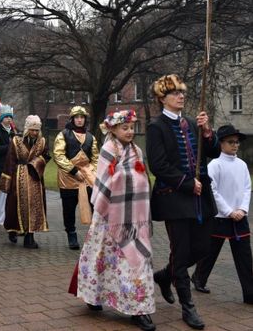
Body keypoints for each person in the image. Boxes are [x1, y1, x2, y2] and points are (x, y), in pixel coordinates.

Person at [147, 74, 220, 330]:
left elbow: (213, 152)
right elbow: (158, 165)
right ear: (162, 98)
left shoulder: (191, 122)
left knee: (202, 249)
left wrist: (208, 132)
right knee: (181, 252)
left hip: (201, 198)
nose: (181, 96)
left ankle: (165, 275)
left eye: (182, 93)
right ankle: (188, 307)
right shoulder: (156, 127)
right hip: (174, 199)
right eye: (175, 93)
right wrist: (187, 183)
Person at [73, 109, 155, 331]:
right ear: (114, 129)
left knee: (136, 261)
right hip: (109, 217)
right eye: (124, 128)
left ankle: (140, 310)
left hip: (135, 219)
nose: (129, 132)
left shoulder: (137, 151)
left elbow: (142, 179)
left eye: (131, 128)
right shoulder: (108, 150)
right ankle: (94, 296)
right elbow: (103, 181)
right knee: (102, 257)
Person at [192, 125, 253, 304]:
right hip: (220, 217)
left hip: (240, 217)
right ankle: (199, 278)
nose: (235, 145)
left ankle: (250, 293)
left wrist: (242, 209)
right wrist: (228, 211)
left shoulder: (242, 165)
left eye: (237, 142)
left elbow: (247, 189)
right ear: (221, 144)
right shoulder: (215, 164)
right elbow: (212, 190)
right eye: (230, 142)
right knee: (210, 252)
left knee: (244, 256)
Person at [0, 115, 50, 248]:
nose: (34, 133)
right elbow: (10, 161)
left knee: (34, 206)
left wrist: (37, 162)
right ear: (27, 129)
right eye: (32, 130)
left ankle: (29, 237)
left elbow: (46, 156)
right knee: (14, 206)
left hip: (34, 178)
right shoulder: (16, 141)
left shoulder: (42, 142)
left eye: (37, 130)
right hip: (18, 177)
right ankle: (12, 230)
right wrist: (7, 181)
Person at [53, 106, 98, 249]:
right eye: (77, 117)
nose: (79, 120)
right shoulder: (63, 135)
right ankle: (71, 233)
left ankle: (96, 234)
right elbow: (58, 155)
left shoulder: (91, 137)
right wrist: (73, 171)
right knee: (69, 208)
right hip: (68, 178)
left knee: (95, 205)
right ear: (72, 119)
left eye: (82, 117)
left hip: (87, 177)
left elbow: (95, 158)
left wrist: (89, 172)